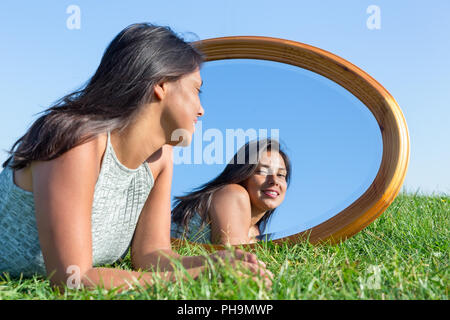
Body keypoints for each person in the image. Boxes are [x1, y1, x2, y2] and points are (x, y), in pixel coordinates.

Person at [0, 23, 272, 290]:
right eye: (196, 90)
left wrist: (213, 261)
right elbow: (72, 279)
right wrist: (200, 276)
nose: (201, 110)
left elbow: (151, 254)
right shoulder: (76, 140)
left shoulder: (161, 158)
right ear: (162, 84)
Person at [171, 139, 291, 245]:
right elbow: (235, 262)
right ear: (243, 174)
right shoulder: (233, 193)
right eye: (263, 172)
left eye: (281, 175)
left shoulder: (254, 231)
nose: (274, 181)